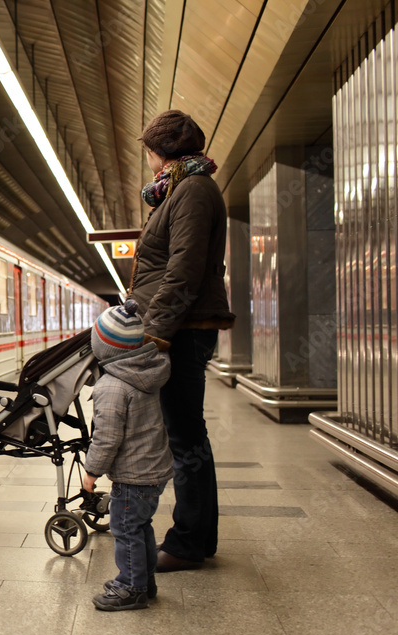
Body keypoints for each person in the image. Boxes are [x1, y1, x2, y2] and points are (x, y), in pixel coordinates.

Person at [130, 110, 235, 572]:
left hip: (183, 331)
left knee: (186, 436)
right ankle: (194, 536)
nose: (148, 161)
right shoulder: (181, 188)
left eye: (149, 151)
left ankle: (189, 541)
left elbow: (184, 270)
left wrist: (154, 332)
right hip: (181, 327)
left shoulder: (191, 191)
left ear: (161, 152)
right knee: (185, 434)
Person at [82, 299, 173, 611]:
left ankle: (130, 587)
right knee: (141, 526)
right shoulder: (147, 372)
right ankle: (144, 581)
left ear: (102, 348)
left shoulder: (111, 387)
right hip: (154, 470)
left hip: (133, 476)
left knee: (125, 530)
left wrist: (91, 471)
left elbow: (106, 438)